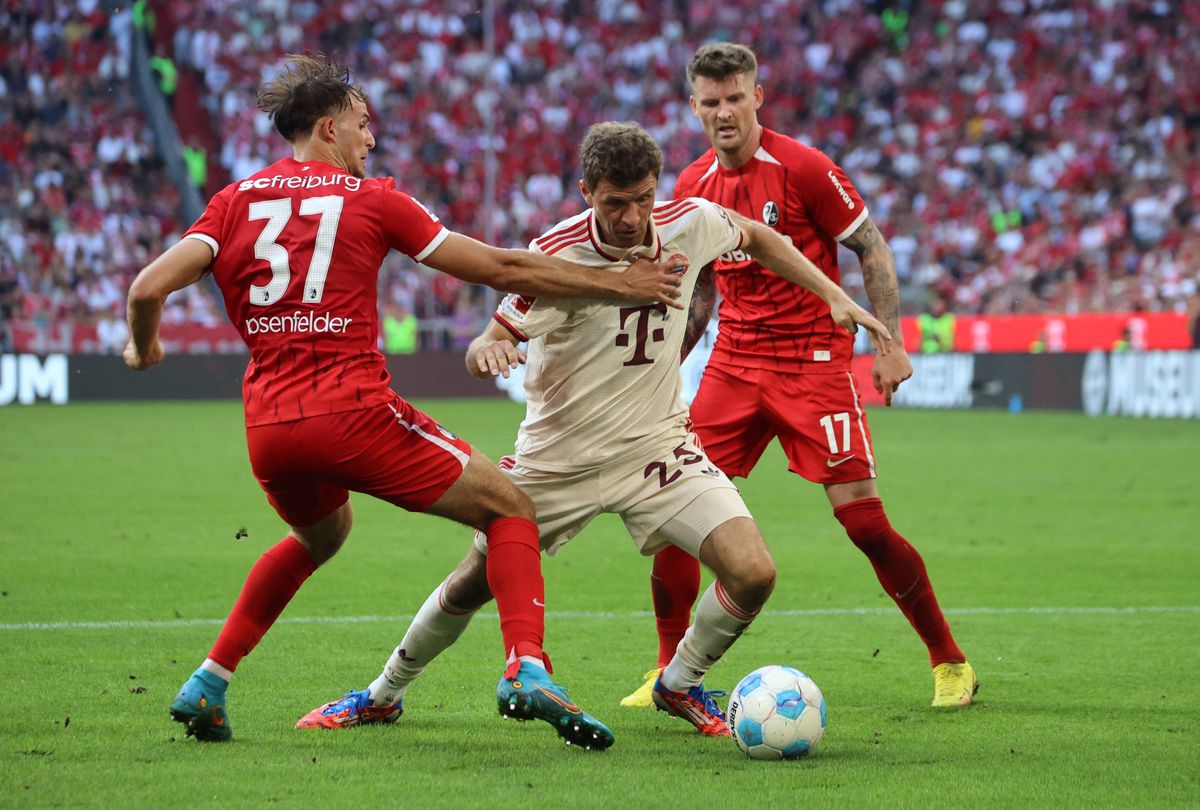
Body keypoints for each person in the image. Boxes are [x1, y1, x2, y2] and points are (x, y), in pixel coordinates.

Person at [123, 54, 687, 747]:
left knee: (319, 536)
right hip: (354, 411)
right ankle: (526, 668)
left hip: (268, 425)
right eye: (363, 125)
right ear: (328, 128)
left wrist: (144, 348)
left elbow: (146, 289)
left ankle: (209, 681)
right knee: (511, 507)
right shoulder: (373, 198)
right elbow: (502, 268)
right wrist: (623, 286)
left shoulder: (233, 202)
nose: (373, 139)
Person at [296, 122, 891, 739]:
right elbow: (492, 337)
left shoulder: (688, 221)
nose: (634, 217)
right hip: (558, 459)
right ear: (586, 191)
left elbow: (761, 236)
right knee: (473, 584)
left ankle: (679, 683)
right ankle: (381, 693)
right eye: (615, 203)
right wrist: (489, 351)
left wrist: (831, 294)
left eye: (643, 198)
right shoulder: (554, 253)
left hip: (657, 448)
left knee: (753, 572)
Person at [620, 43, 978, 711]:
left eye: (734, 98)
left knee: (865, 523)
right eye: (710, 101)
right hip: (732, 363)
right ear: (693, 108)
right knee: (674, 516)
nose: (724, 112)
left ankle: (949, 660)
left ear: (757, 97)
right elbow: (699, 291)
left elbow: (869, 245)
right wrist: (667, 363)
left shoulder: (806, 167)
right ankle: (668, 672)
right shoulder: (693, 185)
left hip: (814, 362)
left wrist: (891, 344)